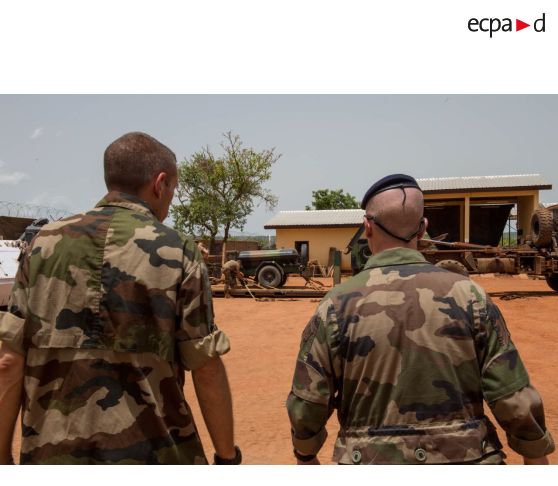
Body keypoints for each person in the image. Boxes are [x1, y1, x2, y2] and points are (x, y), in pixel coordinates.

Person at [0, 131, 241, 465]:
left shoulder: (43, 243)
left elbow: (9, 362)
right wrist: (227, 456)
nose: (170, 201)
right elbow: (206, 368)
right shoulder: (179, 251)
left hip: (50, 454)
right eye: (172, 189)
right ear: (160, 183)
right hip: (156, 454)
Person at [286, 173, 554, 465]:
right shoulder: (471, 296)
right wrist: (535, 454)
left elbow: (308, 401)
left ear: (367, 227)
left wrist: (305, 452)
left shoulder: (336, 305)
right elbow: (513, 397)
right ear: (423, 228)